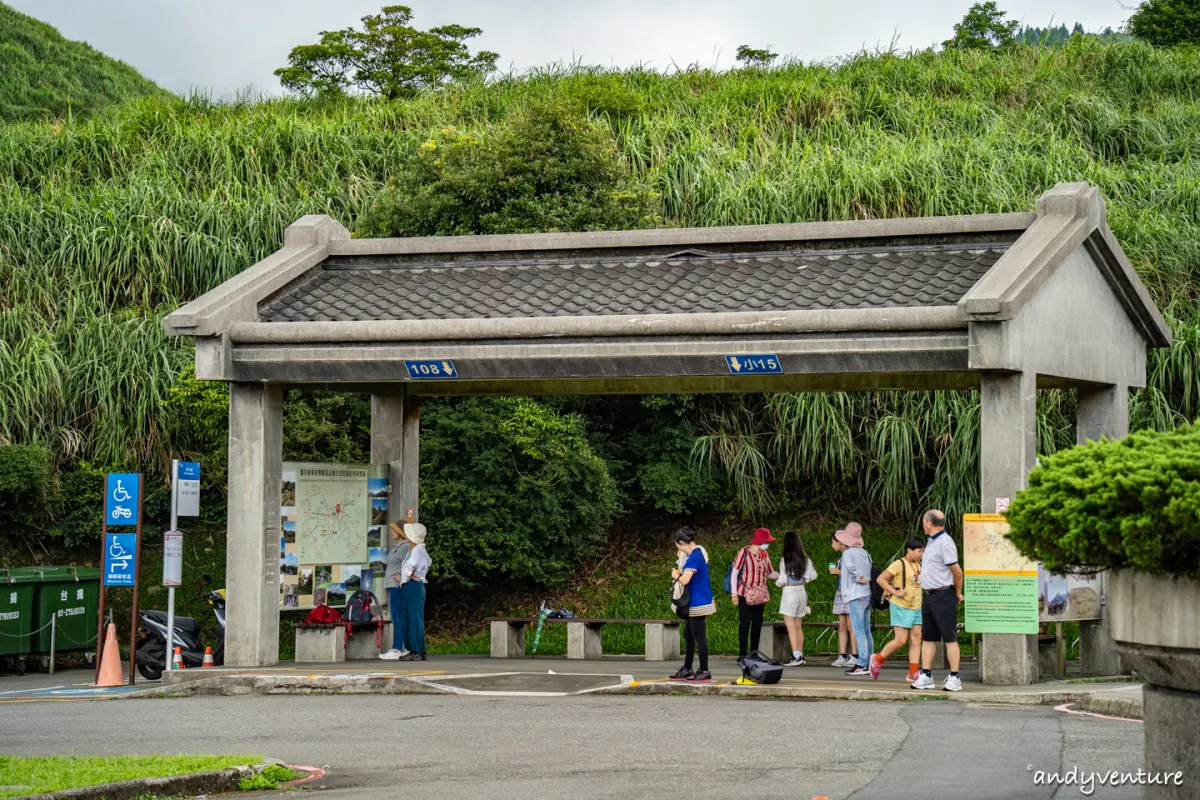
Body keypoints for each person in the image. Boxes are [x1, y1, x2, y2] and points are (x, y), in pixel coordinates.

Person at [911, 510, 965, 692]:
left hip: (944, 594)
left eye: (923, 520)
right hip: (929, 595)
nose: (922, 524)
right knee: (928, 637)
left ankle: (955, 677)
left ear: (928, 523)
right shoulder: (931, 541)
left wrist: (957, 592)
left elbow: (957, 572)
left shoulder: (945, 542)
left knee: (949, 637)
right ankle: (926, 675)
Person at [871, 536, 925, 681]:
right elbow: (881, 579)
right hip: (901, 606)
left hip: (916, 606)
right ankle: (877, 659)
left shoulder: (919, 564)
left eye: (923, 551)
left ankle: (913, 673)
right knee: (901, 640)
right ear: (909, 550)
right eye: (919, 551)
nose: (922, 554)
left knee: (916, 639)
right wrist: (895, 592)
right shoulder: (898, 564)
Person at [669, 527, 715, 683]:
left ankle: (704, 670)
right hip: (698, 599)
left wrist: (676, 575)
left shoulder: (694, 557)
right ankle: (687, 668)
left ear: (682, 543)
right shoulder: (699, 552)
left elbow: (685, 580)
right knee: (688, 634)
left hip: (697, 601)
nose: (679, 550)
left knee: (699, 636)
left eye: (679, 547)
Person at [730, 528, 778, 658]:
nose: (767, 544)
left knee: (757, 624)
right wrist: (734, 594)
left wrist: (784, 575)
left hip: (760, 595)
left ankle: (754, 652)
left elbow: (770, 573)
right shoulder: (744, 552)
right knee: (745, 623)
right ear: (759, 541)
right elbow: (735, 572)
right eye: (765, 541)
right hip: (744, 593)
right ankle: (742, 653)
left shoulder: (764, 554)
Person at [832, 522, 873, 676]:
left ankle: (862, 663)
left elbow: (849, 568)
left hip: (855, 594)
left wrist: (857, 578)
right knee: (866, 630)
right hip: (866, 594)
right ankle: (869, 660)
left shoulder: (848, 554)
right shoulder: (864, 552)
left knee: (859, 631)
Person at [775, 531, 818, 666]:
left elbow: (781, 580)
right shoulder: (806, 559)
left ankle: (796, 656)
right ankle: (801, 655)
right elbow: (814, 575)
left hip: (789, 592)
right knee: (798, 626)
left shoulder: (784, 560)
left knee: (791, 626)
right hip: (801, 591)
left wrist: (777, 582)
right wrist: (804, 579)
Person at [394, 523, 431, 662]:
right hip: (414, 585)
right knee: (415, 617)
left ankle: (414, 650)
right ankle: (419, 649)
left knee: (412, 618)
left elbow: (411, 565)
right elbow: (428, 562)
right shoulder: (417, 548)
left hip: (412, 586)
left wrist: (406, 576)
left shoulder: (417, 549)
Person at [379, 522, 412, 660]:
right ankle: (402, 646)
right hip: (391, 585)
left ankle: (397, 647)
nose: (392, 532)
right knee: (398, 616)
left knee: (397, 617)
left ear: (401, 531)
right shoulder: (396, 547)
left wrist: (403, 576)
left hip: (397, 586)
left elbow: (410, 564)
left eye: (394, 530)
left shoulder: (405, 547)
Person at [829, 535, 859, 668]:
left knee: (851, 626)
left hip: (851, 593)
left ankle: (855, 655)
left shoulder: (851, 555)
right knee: (842, 625)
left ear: (840, 542)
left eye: (833, 542)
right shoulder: (841, 557)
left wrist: (839, 572)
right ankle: (842, 655)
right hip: (841, 592)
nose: (832, 545)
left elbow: (856, 574)